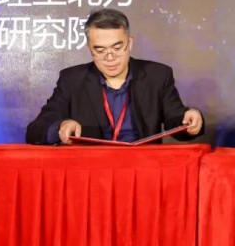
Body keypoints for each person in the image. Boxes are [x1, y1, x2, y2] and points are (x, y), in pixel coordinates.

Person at [26, 8, 204, 145]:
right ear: (89, 48)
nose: (110, 57)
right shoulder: (72, 80)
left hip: (142, 168)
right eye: (100, 50)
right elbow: (35, 130)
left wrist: (190, 120)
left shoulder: (157, 75)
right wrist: (61, 127)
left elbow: (176, 120)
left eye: (117, 48)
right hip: (92, 169)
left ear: (130, 43)